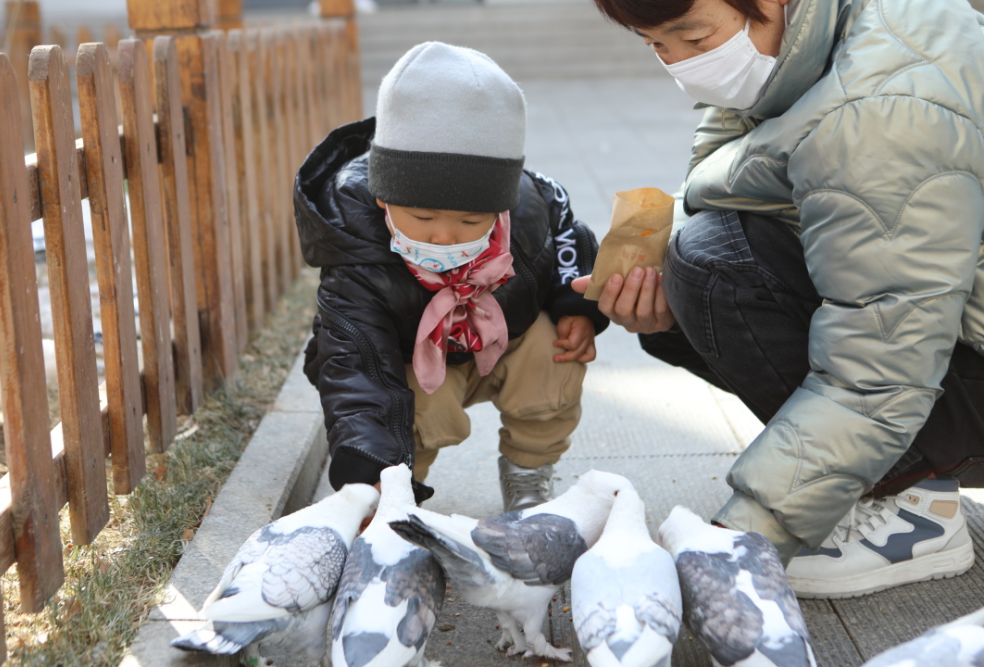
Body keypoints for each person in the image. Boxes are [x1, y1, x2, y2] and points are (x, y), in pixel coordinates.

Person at [576, 0, 984, 599]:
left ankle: (915, 505)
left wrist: (738, 541)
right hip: (947, 325)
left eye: (693, 35)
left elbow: (879, 372)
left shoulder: (883, 107)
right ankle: (865, 477)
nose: (680, 63)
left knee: (712, 265)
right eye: (655, 44)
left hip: (922, 361)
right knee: (691, 273)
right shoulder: (816, 42)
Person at [294, 42, 609, 512]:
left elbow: (566, 240)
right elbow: (357, 368)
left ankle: (528, 473)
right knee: (410, 412)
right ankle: (394, 494)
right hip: (406, 364)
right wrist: (368, 474)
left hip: (504, 339)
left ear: (501, 206)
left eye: (469, 222)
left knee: (552, 355)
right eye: (422, 217)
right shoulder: (357, 257)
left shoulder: (531, 209)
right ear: (384, 199)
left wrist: (577, 308)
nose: (443, 236)